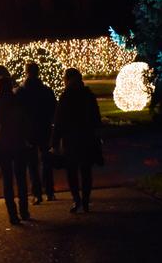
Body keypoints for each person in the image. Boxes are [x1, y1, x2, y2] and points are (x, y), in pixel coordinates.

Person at [52, 67, 101, 214]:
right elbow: (96, 117)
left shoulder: (66, 96)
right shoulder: (88, 95)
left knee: (72, 171)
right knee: (86, 171)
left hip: (71, 139)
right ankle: (85, 200)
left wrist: (55, 142)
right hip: (86, 137)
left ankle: (77, 199)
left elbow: (59, 120)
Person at [0, 75, 30, 224]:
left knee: (7, 180)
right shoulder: (16, 100)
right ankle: (24, 210)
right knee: (21, 178)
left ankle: (13, 214)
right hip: (18, 142)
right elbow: (23, 120)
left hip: (3, 143)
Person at [16, 61, 57, 203]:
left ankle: (36, 193)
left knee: (32, 162)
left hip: (29, 130)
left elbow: (18, 112)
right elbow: (53, 109)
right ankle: (50, 191)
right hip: (44, 127)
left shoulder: (21, 91)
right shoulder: (46, 90)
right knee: (46, 159)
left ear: (26, 72)